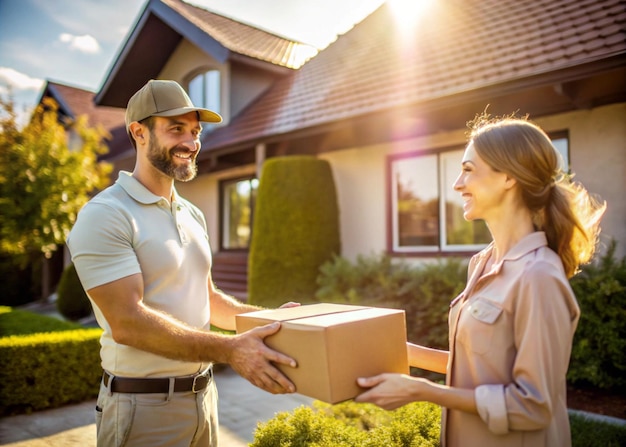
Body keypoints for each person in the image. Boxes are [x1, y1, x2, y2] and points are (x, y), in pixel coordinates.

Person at [67, 79, 298, 447]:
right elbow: (128, 323)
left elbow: (210, 300)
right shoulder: (106, 214)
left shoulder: (192, 214)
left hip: (204, 400)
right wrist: (231, 350)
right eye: (176, 129)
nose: (191, 143)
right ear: (139, 132)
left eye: (195, 131)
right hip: (142, 409)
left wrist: (273, 322)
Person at [355, 114, 606, 447]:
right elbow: (482, 368)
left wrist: (424, 391)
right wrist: (402, 353)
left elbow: (534, 406)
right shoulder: (482, 263)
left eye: (469, 170)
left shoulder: (538, 276)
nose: (458, 183)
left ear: (508, 177)